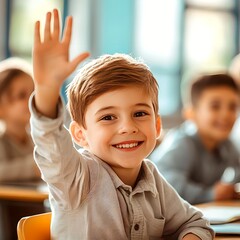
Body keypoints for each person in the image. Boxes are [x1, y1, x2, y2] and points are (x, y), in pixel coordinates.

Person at [30, 9, 214, 239]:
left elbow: (196, 222)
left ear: (157, 127)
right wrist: (46, 90)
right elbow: (50, 143)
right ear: (80, 135)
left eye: (139, 113)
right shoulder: (75, 177)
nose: (128, 127)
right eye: (108, 117)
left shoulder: (152, 178)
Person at [149, 72, 240, 205]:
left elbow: (237, 171)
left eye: (232, 107)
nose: (226, 114)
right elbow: (167, 184)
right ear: (191, 113)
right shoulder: (183, 142)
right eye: (215, 106)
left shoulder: (227, 145)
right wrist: (210, 194)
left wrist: (229, 188)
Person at [0, 57, 41, 182]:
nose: (31, 100)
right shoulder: (2, 142)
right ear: (1, 108)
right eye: (21, 95)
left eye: (34, 92)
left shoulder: (36, 141)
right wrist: (35, 167)